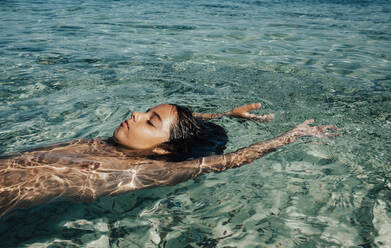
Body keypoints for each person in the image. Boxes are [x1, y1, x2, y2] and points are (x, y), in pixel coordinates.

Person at [0, 103, 337, 217]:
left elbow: (227, 161)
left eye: (149, 120)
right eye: (146, 111)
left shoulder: (146, 169)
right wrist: (227, 114)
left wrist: (291, 136)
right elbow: (180, 131)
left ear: (162, 149)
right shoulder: (106, 145)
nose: (135, 113)